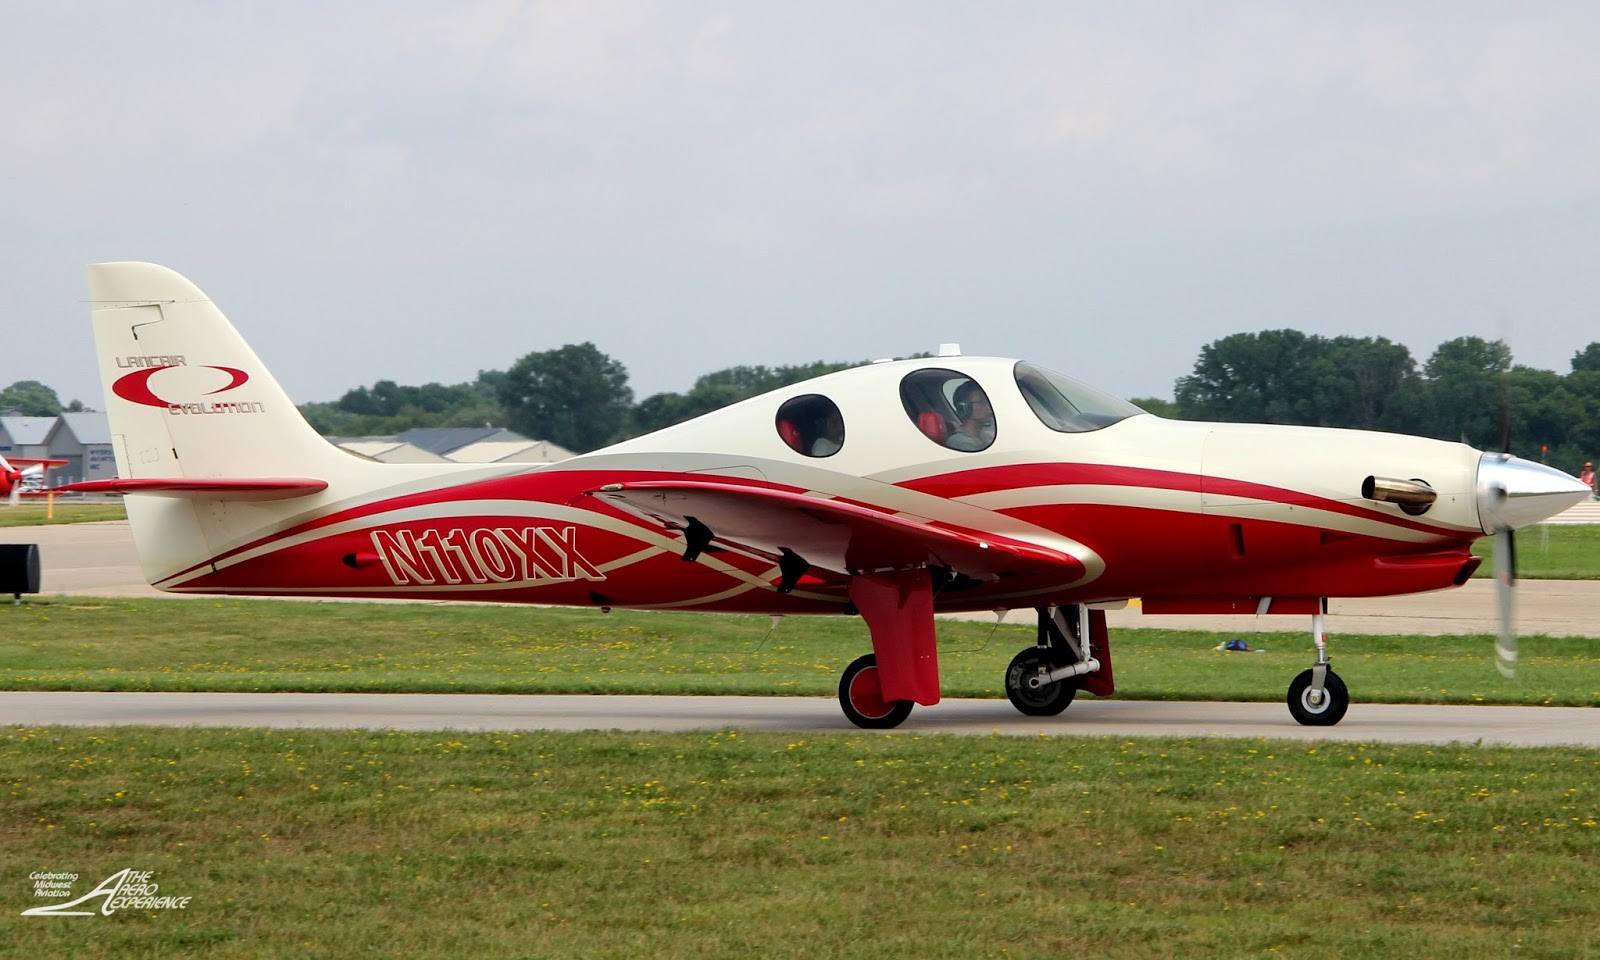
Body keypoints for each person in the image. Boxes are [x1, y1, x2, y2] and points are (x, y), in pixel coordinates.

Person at [945, 381, 995, 451]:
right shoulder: (960, 442)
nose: (988, 406)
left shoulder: (986, 434)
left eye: (988, 401)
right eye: (981, 402)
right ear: (964, 408)